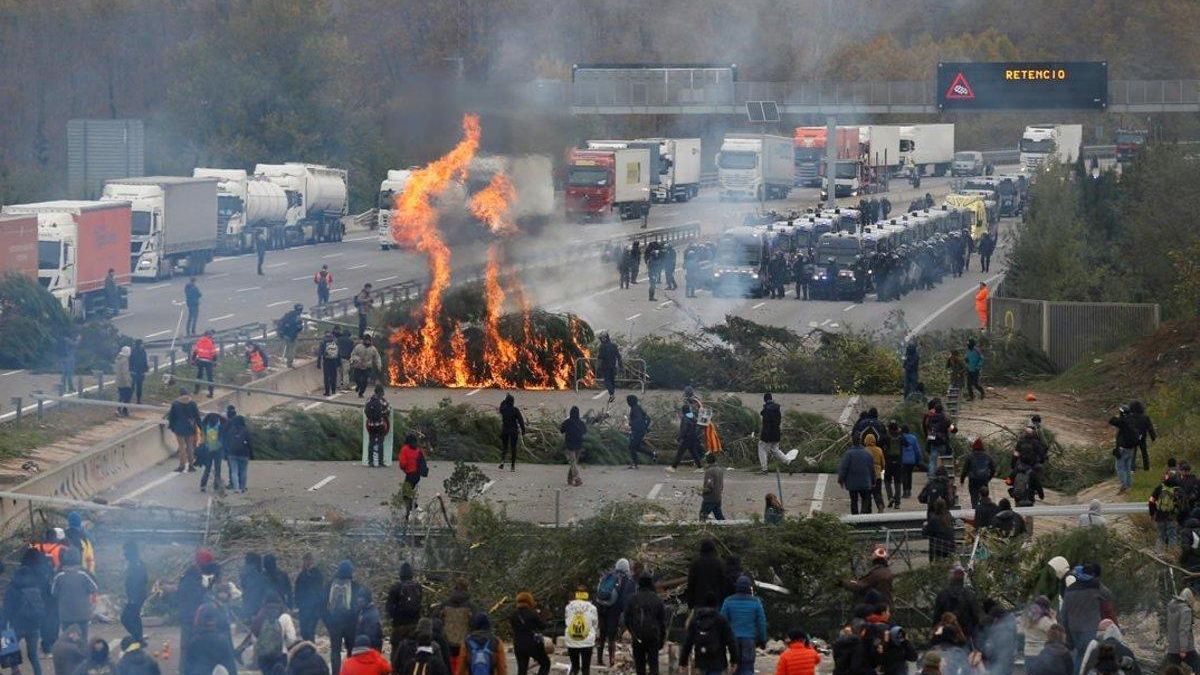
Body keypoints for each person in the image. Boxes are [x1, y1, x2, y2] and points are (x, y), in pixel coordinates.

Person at [1061, 565, 1114, 669]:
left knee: (1079, 655)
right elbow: (1108, 595)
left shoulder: (1069, 589)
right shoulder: (1095, 585)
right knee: (1089, 657)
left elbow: (1064, 614)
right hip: (1089, 628)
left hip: (1074, 629)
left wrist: (1068, 636)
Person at [6, 547, 48, 675]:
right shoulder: (38, 582)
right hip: (34, 624)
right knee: (33, 656)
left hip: (16, 624)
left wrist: (3, 624)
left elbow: (7, 607)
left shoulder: (13, 585)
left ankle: (15, 670)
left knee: (9, 648)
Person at [679, 591, 737, 675]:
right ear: (716, 604)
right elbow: (731, 641)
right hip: (718, 661)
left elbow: (688, 642)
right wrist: (734, 660)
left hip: (701, 659)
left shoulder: (696, 620)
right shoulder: (721, 620)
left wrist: (683, 662)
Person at [325, 560, 368, 675]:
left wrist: (328, 622)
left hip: (334, 624)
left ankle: (335, 673)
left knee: (335, 651)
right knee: (351, 650)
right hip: (350, 624)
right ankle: (350, 672)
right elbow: (360, 604)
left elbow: (322, 605)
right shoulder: (355, 586)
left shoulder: (330, 585)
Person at [720, 576, 766, 675]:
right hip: (749, 640)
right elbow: (761, 622)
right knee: (747, 668)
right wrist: (762, 640)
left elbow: (722, 622)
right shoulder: (756, 602)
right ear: (749, 588)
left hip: (733, 640)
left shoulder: (728, 601)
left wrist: (721, 639)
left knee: (734, 667)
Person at [51, 548, 97, 644]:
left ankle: (70, 655)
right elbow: (94, 588)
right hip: (82, 614)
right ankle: (83, 655)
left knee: (68, 639)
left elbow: (53, 593)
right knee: (83, 639)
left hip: (66, 615)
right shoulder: (84, 574)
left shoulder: (59, 575)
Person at [594, 560, 634, 667]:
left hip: (601, 606)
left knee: (601, 634)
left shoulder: (608, 575)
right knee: (611, 636)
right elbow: (624, 597)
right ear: (627, 567)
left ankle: (599, 659)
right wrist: (624, 612)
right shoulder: (625, 579)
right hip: (614, 610)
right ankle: (612, 661)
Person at [623, 575, 665, 675]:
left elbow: (626, 618)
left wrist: (632, 632)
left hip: (638, 637)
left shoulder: (633, 599)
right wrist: (661, 640)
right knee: (654, 665)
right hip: (653, 637)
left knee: (640, 666)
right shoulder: (657, 599)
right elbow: (662, 622)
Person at [435, 578, 479, 675]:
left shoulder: (444, 604)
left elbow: (435, 621)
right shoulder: (471, 606)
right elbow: (476, 624)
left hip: (447, 645)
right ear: (467, 589)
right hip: (465, 645)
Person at [933, 565, 982, 640]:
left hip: (945, 638)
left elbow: (936, 618)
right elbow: (976, 618)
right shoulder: (969, 595)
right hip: (966, 637)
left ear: (951, 578)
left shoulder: (942, 595)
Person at [508, 593, 548, 675]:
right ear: (530, 601)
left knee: (522, 669)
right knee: (545, 663)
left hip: (518, 644)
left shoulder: (513, 615)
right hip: (533, 644)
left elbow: (512, 628)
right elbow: (542, 626)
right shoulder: (533, 613)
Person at [758, 393, 796, 474]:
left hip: (768, 433)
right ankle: (788, 462)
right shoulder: (777, 408)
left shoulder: (767, 409)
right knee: (775, 449)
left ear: (765, 400)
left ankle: (764, 469)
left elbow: (766, 423)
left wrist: (764, 436)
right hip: (776, 432)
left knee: (761, 448)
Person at [387, 562, 423, 645]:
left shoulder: (395, 588)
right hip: (414, 625)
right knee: (412, 650)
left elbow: (389, 608)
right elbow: (419, 604)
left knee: (397, 652)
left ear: (400, 574)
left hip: (399, 626)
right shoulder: (418, 587)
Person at [563, 587, 597, 675]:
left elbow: (567, 621)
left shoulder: (568, 607)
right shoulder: (592, 608)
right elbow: (595, 624)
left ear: (576, 594)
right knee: (586, 668)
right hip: (587, 641)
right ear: (587, 594)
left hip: (571, 640)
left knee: (574, 667)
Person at [838, 436, 875, 515]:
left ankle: (855, 519)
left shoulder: (848, 454)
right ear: (861, 441)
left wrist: (841, 480)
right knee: (866, 500)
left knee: (854, 501)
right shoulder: (867, 453)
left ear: (852, 442)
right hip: (865, 481)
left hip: (852, 483)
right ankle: (863, 515)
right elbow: (872, 469)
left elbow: (844, 468)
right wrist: (873, 480)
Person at [1166, 587, 1200, 672]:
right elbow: (1184, 630)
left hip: (1172, 647)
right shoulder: (1186, 610)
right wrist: (1183, 649)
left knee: (1173, 671)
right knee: (1198, 666)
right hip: (1186, 648)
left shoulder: (1171, 607)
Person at [120, 541, 148, 642]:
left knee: (125, 618)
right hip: (137, 596)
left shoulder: (135, 565)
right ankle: (139, 638)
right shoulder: (137, 562)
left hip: (135, 596)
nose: (124, 553)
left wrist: (132, 598)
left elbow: (137, 582)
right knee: (135, 617)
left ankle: (137, 638)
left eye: (125, 551)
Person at [686, 540, 725, 612]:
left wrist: (690, 603)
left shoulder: (695, 563)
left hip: (699, 600)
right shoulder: (719, 563)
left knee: (700, 621)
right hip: (716, 600)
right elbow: (723, 582)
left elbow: (691, 583)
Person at [294, 553, 325, 643]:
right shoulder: (301, 575)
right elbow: (297, 590)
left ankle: (311, 650)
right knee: (304, 631)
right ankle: (306, 648)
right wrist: (297, 604)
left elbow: (319, 588)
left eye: (309, 560)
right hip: (304, 608)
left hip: (314, 608)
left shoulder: (317, 574)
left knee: (310, 630)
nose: (307, 563)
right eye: (305, 560)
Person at [1109, 406, 1138, 494]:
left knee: (1119, 467)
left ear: (1122, 413)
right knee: (1127, 468)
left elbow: (1111, 420)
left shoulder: (1123, 421)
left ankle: (1124, 485)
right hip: (1131, 448)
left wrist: (1118, 416)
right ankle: (1128, 485)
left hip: (1123, 448)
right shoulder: (1133, 420)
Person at [1151, 468, 1183, 548]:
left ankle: (1158, 554)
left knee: (1161, 536)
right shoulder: (1178, 490)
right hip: (1171, 517)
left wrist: (1152, 513)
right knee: (1172, 536)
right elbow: (1181, 504)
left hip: (1159, 515)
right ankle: (1172, 555)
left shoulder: (1160, 487)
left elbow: (1151, 500)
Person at [959, 438, 995, 508]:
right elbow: (993, 469)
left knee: (974, 497)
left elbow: (965, 470)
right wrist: (989, 478)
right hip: (984, 480)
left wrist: (962, 480)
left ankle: (975, 510)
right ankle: (984, 509)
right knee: (984, 496)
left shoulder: (969, 457)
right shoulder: (988, 457)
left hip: (973, 480)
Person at [398, 435, 427, 518]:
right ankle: (414, 509)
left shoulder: (405, 449)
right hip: (417, 475)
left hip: (410, 474)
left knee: (406, 494)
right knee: (409, 493)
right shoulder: (418, 450)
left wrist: (404, 468)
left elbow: (403, 463)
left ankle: (412, 510)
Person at [224, 405, 252, 492]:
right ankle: (242, 487)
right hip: (244, 453)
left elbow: (226, 439)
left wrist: (226, 452)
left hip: (232, 452)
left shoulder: (229, 427)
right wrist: (251, 454)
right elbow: (250, 443)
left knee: (233, 470)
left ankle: (235, 487)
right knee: (243, 470)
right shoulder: (245, 429)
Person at [560, 406, 587, 487]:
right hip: (579, 444)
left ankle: (577, 479)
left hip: (569, 445)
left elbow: (561, 430)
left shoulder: (567, 422)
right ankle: (570, 480)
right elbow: (585, 431)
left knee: (573, 463)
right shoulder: (581, 423)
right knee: (573, 463)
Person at [498, 395, 526, 472]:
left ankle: (502, 462)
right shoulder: (515, 410)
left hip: (505, 430)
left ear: (506, 402)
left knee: (505, 447)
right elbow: (521, 420)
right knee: (513, 448)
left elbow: (501, 407)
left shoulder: (503, 409)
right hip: (513, 431)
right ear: (513, 402)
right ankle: (512, 466)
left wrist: (503, 401)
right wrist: (523, 430)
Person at [672, 400, 703, 471]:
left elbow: (684, 430)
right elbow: (697, 427)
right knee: (694, 453)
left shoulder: (685, 418)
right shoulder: (693, 417)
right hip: (693, 438)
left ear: (683, 411)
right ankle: (700, 467)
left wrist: (679, 438)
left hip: (686, 438)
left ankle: (673, 467)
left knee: (680, 453)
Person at [365, 386, 391, 468]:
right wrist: (383, 415)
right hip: (380, 425)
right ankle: (380, 462)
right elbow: (388, 410)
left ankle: (370, 462)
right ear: (380, 392)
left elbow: (366, 411)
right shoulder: (382, 401)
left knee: (371, 442)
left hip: (371, 425)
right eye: (382, 392)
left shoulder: (369, 400)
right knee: (380, 443)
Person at [1127, 400, 1156, 472]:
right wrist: (1153, 437)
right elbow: (1150, 428)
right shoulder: (1145, 417)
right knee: (1144, 453)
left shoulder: (1129, 417)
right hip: (1142, 437)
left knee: (1132, 454)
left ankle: (1131, 469)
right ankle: (1146, 468)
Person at [626, 395, 654, 469]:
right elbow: (648, 418)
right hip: (640, 430)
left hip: (637, 431)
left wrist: (632, 424)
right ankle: (652, 454)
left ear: (631, 401)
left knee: (632, 447)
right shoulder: (637, 407)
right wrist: (645, 427)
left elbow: (638, 420)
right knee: (637, 447)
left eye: (628, 401)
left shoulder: (635, 409)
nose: (627, 403)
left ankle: (635, 464)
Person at [191, 329, 218, 398]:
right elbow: (214, 354)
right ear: (209, 335)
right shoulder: (211, 342)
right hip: (208, 361)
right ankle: (211, 393)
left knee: (199, 376)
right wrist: (215, 362)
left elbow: (195, 352)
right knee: (210, 377)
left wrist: (193, 360)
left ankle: (196, 390)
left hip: (200, 360)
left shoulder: (199, 341)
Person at [700, 453, 725, 521]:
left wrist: (702, 492)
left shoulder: (709, 471)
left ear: (707, 461)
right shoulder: (720, 470)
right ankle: (726, 528)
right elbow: (721, 485)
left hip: (710, 498)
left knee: (702, 516)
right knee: (719, 517)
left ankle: (702, 530)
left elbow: (709, 485)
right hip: (718, 497)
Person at [597, 333, 621, 403]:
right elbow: (618, 356)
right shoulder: (614, 345)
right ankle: (612, 394)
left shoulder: (602, 346)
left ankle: (612, 393)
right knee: (612, 380)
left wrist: (598, 367)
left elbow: (600, 358)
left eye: (602, 338)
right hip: (613, 367)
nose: (601, 339)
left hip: (606, 367)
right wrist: (620, 365)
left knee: (607, 381)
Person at [319, 331, 340, 397]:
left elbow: (320, 353)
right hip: (334, 360)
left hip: (326, 361)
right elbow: (339, 352)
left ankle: (327, 391)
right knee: (333, 376)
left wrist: (318, 362)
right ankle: (333, 390)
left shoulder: (323, 341)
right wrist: (339, 362)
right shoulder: (335, 341)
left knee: (326, 377)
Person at [114, 346, 133, 417]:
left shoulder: (118, 359)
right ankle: (123, 410)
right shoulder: (125, 360)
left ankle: (118, 409)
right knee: (126, 397)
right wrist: (128, 382)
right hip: (124, 381)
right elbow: (125, 372)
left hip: (118, 380)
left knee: (121, 396)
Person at [129, 339, 148, 405]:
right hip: (136, 371)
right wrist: (131, 370)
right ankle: (131, 399)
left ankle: (137, 399)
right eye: (142, 344)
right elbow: (131, 362)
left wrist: (145, 370)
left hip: (138, 371)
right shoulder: (135, 351)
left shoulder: (141, 351)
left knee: (138, 386)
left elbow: (145, 361)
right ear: (139, 344)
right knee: (134, 386)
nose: (143, 345)